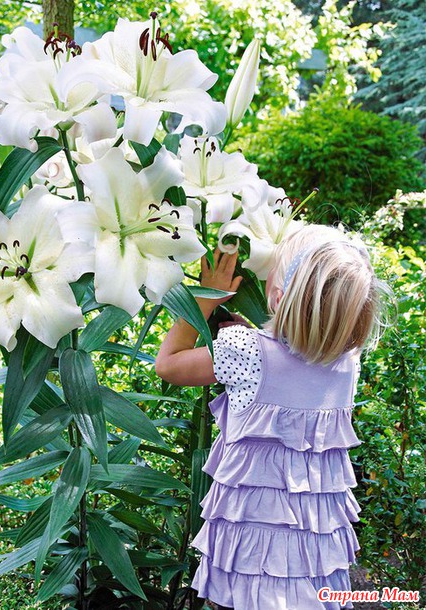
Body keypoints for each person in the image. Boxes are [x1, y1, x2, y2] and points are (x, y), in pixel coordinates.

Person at [155, 224, 391, 610]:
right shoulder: (349, 364)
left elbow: (168, 365)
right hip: (314, 566)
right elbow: (295, 363)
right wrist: (254, 338)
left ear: (279, 299)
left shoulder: (244, 351)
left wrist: (203, 297)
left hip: (249, 566)